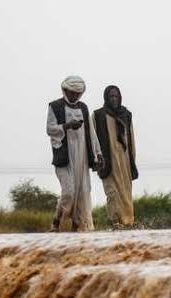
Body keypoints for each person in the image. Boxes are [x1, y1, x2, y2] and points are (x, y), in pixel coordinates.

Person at [46, 75, 103, 232]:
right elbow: (50, 129)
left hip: (82, 157)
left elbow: (91, 132)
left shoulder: (83, 108)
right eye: (72, 92)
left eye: (78, 93)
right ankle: (57, 219)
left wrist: (98, 153)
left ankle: (76, 228)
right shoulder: (55, 106)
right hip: (65, 157)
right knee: (69, 192)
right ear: (65, 90)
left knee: (83, 193)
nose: (75, 96)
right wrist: (67, 126)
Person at [92, 85, 138, 226]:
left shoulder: (126, 115)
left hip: (124, 162)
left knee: (125, 195)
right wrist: (96, 159)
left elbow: (131, 140)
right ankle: (114, 223)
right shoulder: (98, 115)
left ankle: (128, 224)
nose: (114, 99)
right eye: (111, 96)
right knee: (112, 193)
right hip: (108, 162)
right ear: (106, 97)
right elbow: (92, 139)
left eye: (116, 96)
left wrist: (132, 161)